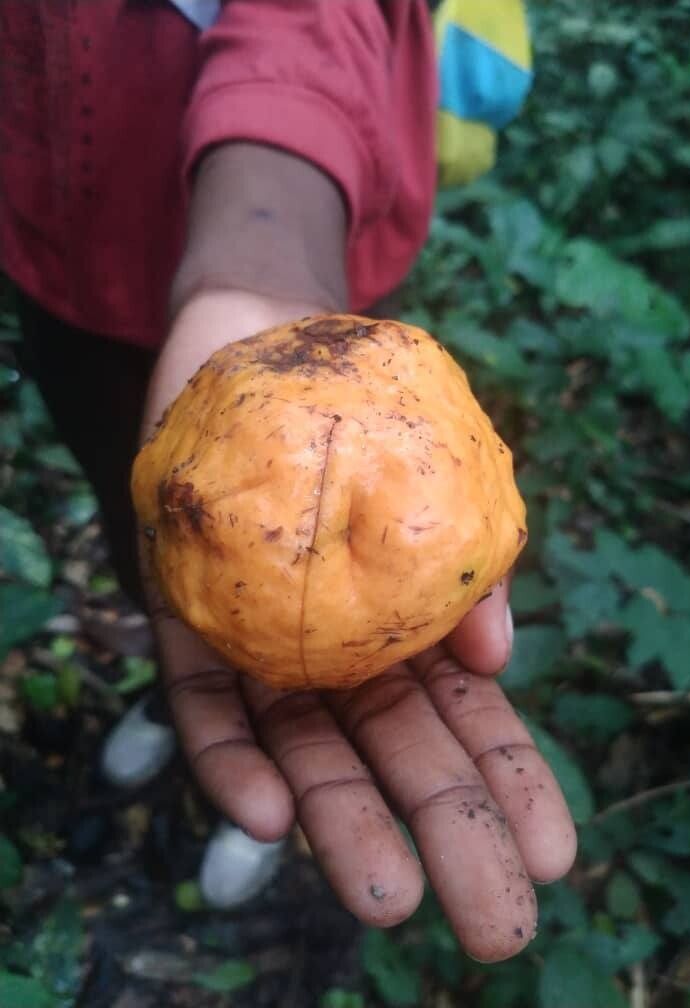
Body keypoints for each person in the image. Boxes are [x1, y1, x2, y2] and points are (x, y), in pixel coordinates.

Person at [1, 1, 576, 962]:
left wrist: (258, 246)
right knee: (137, 505)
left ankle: (249, 782)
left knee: (164, 510)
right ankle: (167, 678)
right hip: (58, 243)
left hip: (306, 227)